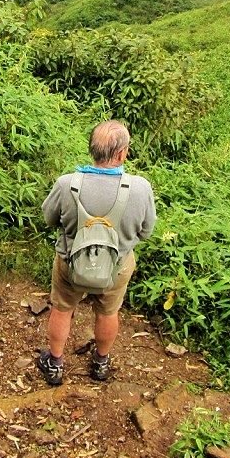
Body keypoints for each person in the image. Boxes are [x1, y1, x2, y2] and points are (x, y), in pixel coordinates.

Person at [37, 120, 156, 385]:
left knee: (63, 308)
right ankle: (101, 363)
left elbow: (49, 219)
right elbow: (146, 232)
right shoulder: (140, 188)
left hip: (71, 262)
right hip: (117, 266)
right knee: (108, 312)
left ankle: (55, 364)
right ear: (122, 153)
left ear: (92, 149)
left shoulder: (67, 183)